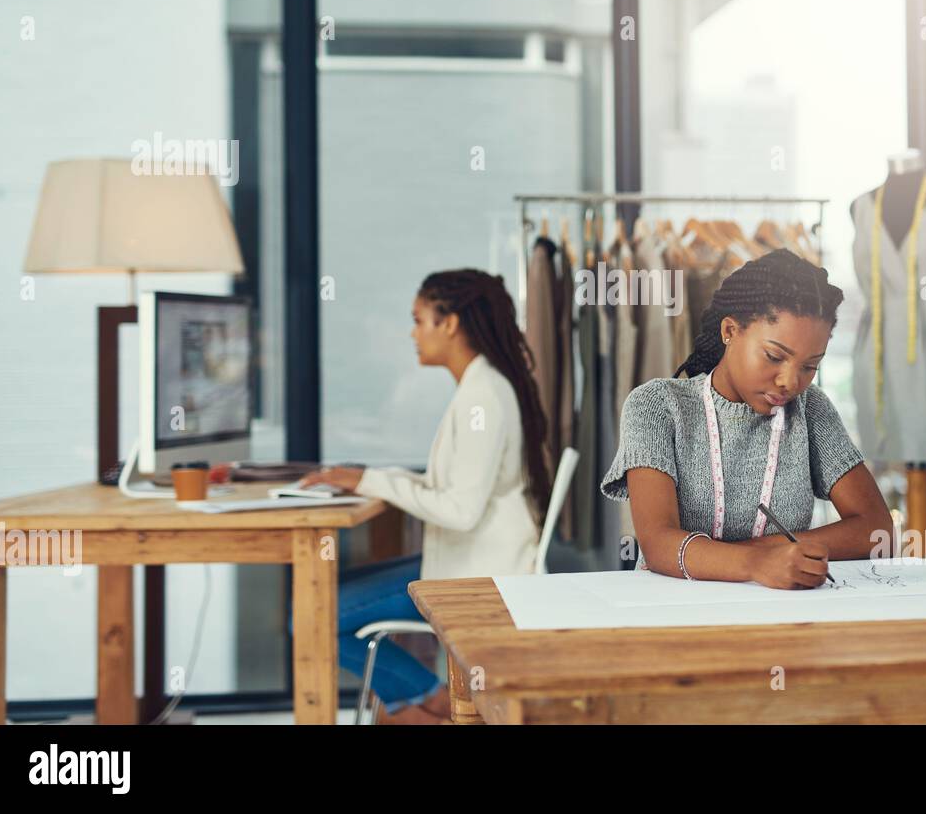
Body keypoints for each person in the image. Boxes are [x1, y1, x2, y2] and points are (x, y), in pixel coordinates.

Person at [298, 269, 550, 723]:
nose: (412, 333)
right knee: (325, 594)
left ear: (449, 323)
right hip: (463, 558)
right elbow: (449, 488)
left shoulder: (483, 398)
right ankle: (413, 704)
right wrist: (367, 476)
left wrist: (369, 483)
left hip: (476, 572)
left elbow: (459, 509)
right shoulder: (480, 387)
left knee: (314, 613)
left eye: (419, 320)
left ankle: (427, 700)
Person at [601, 249, 891, 588]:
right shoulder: (657, 406)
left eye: (810, 366)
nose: (790, 382)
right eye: (774, 356)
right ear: (730, 331)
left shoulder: (810, 410)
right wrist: (757, 563)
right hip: (675, 616)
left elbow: (878, 531)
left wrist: (728, 557)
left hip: (779, 616)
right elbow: (657, 544)